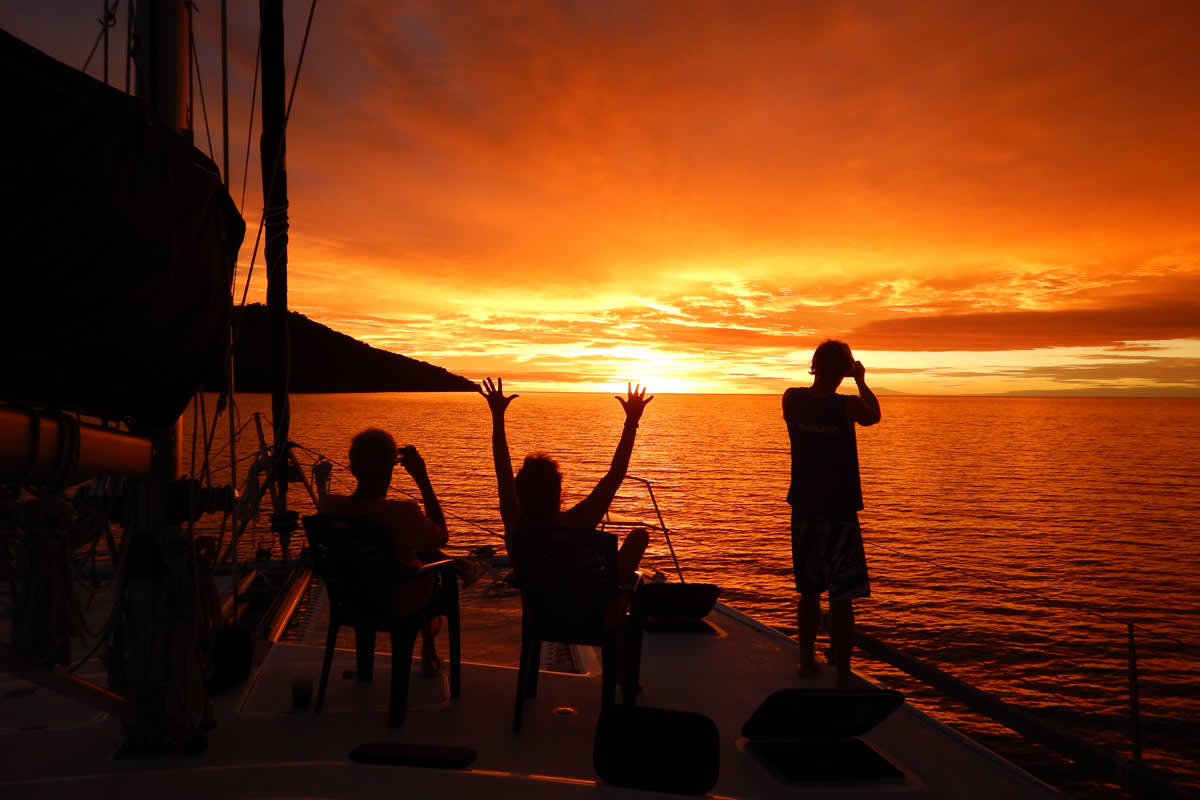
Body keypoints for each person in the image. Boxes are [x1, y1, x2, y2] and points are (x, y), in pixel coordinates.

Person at [478, 378, 653, 589]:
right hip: (587, 619)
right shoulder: (578, 523)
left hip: (539, 620)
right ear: (559, 491)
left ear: (519, 491)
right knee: (638, 537)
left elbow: (502, 470)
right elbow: (615, 475)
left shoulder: (516, 525)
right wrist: (631, 422)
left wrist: (498, 417)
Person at [783, 340, 881, 687]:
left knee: (809, 592)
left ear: (814, 366)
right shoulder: (848, 406)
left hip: (805, 511)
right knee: (841, 597)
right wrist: (861, 379)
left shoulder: (791, 400)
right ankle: (841, 674)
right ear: (844, 370)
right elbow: (875, 415)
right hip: (839, 514)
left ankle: (806, 662)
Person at [318, 428, 449, 676]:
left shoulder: (329, 508)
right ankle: (428, 648)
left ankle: (365, 668)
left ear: (352, 467)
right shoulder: (402, 514)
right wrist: (422, 478)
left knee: (410, 552)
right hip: (396, 603)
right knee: (431, 564)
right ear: (391, 468)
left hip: (351, 599)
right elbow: (441, 535)